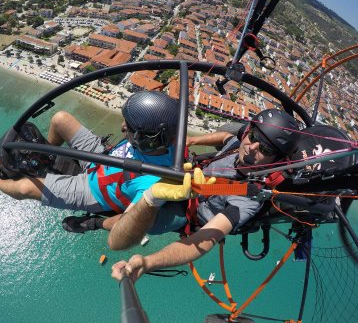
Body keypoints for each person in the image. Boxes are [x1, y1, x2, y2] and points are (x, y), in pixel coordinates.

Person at [108, 109, 301, 281]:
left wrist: (148, 262)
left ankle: (98, 221)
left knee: (141, 220)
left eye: (265, 150)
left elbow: (204, 240)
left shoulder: (247, 197)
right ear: (246, 132)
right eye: (253, 136)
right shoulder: (236, 148)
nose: (252, 148)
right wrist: (193, 140)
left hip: (187, 214)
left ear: (275, 161)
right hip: (187, 181)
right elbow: (226, 137)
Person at [0, 90, 179, 232]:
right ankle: (46, 155)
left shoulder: (151, 186)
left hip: (94, 190)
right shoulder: (169, 142)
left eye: (130, 127)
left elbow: (127, 224)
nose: (123, 127)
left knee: (25, 188)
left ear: (147, 140)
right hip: (103, 158)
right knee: (60, 119)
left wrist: (94, 223)